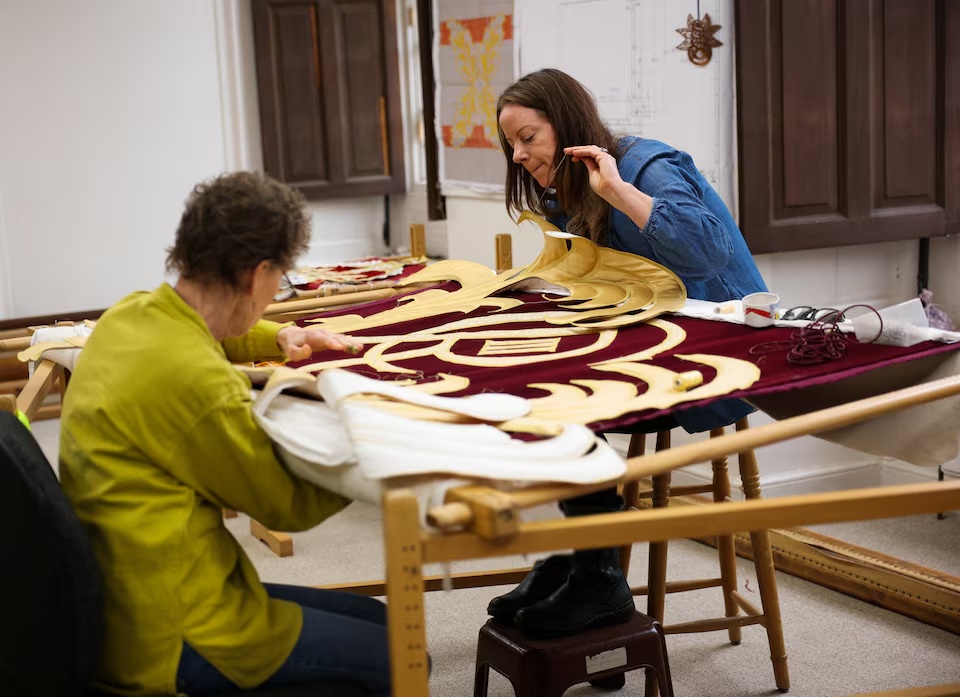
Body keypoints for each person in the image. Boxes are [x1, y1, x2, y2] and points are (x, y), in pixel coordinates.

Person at [59, 171, 391, 696]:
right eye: (279, 277)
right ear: (257, 276)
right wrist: (375, 449)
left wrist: (282, 333)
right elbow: (287, 506)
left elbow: (204, 332)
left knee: (384, 620)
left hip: (124, 596)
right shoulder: (198, 382)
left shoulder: (131, 315)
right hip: (171, 629)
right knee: (400, 656)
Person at [489, 68, 768, 636]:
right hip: (654, 336)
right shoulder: (562, 186)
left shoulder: (645, 166)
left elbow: (707, 254)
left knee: (564, 400)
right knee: (525, 382)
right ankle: (583, 555)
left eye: (528, 138)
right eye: (510, 144)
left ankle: (595, 572)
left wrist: (616, 190)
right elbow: (604, 275)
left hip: (723, 349)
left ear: (565, 123)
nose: (517, 155)